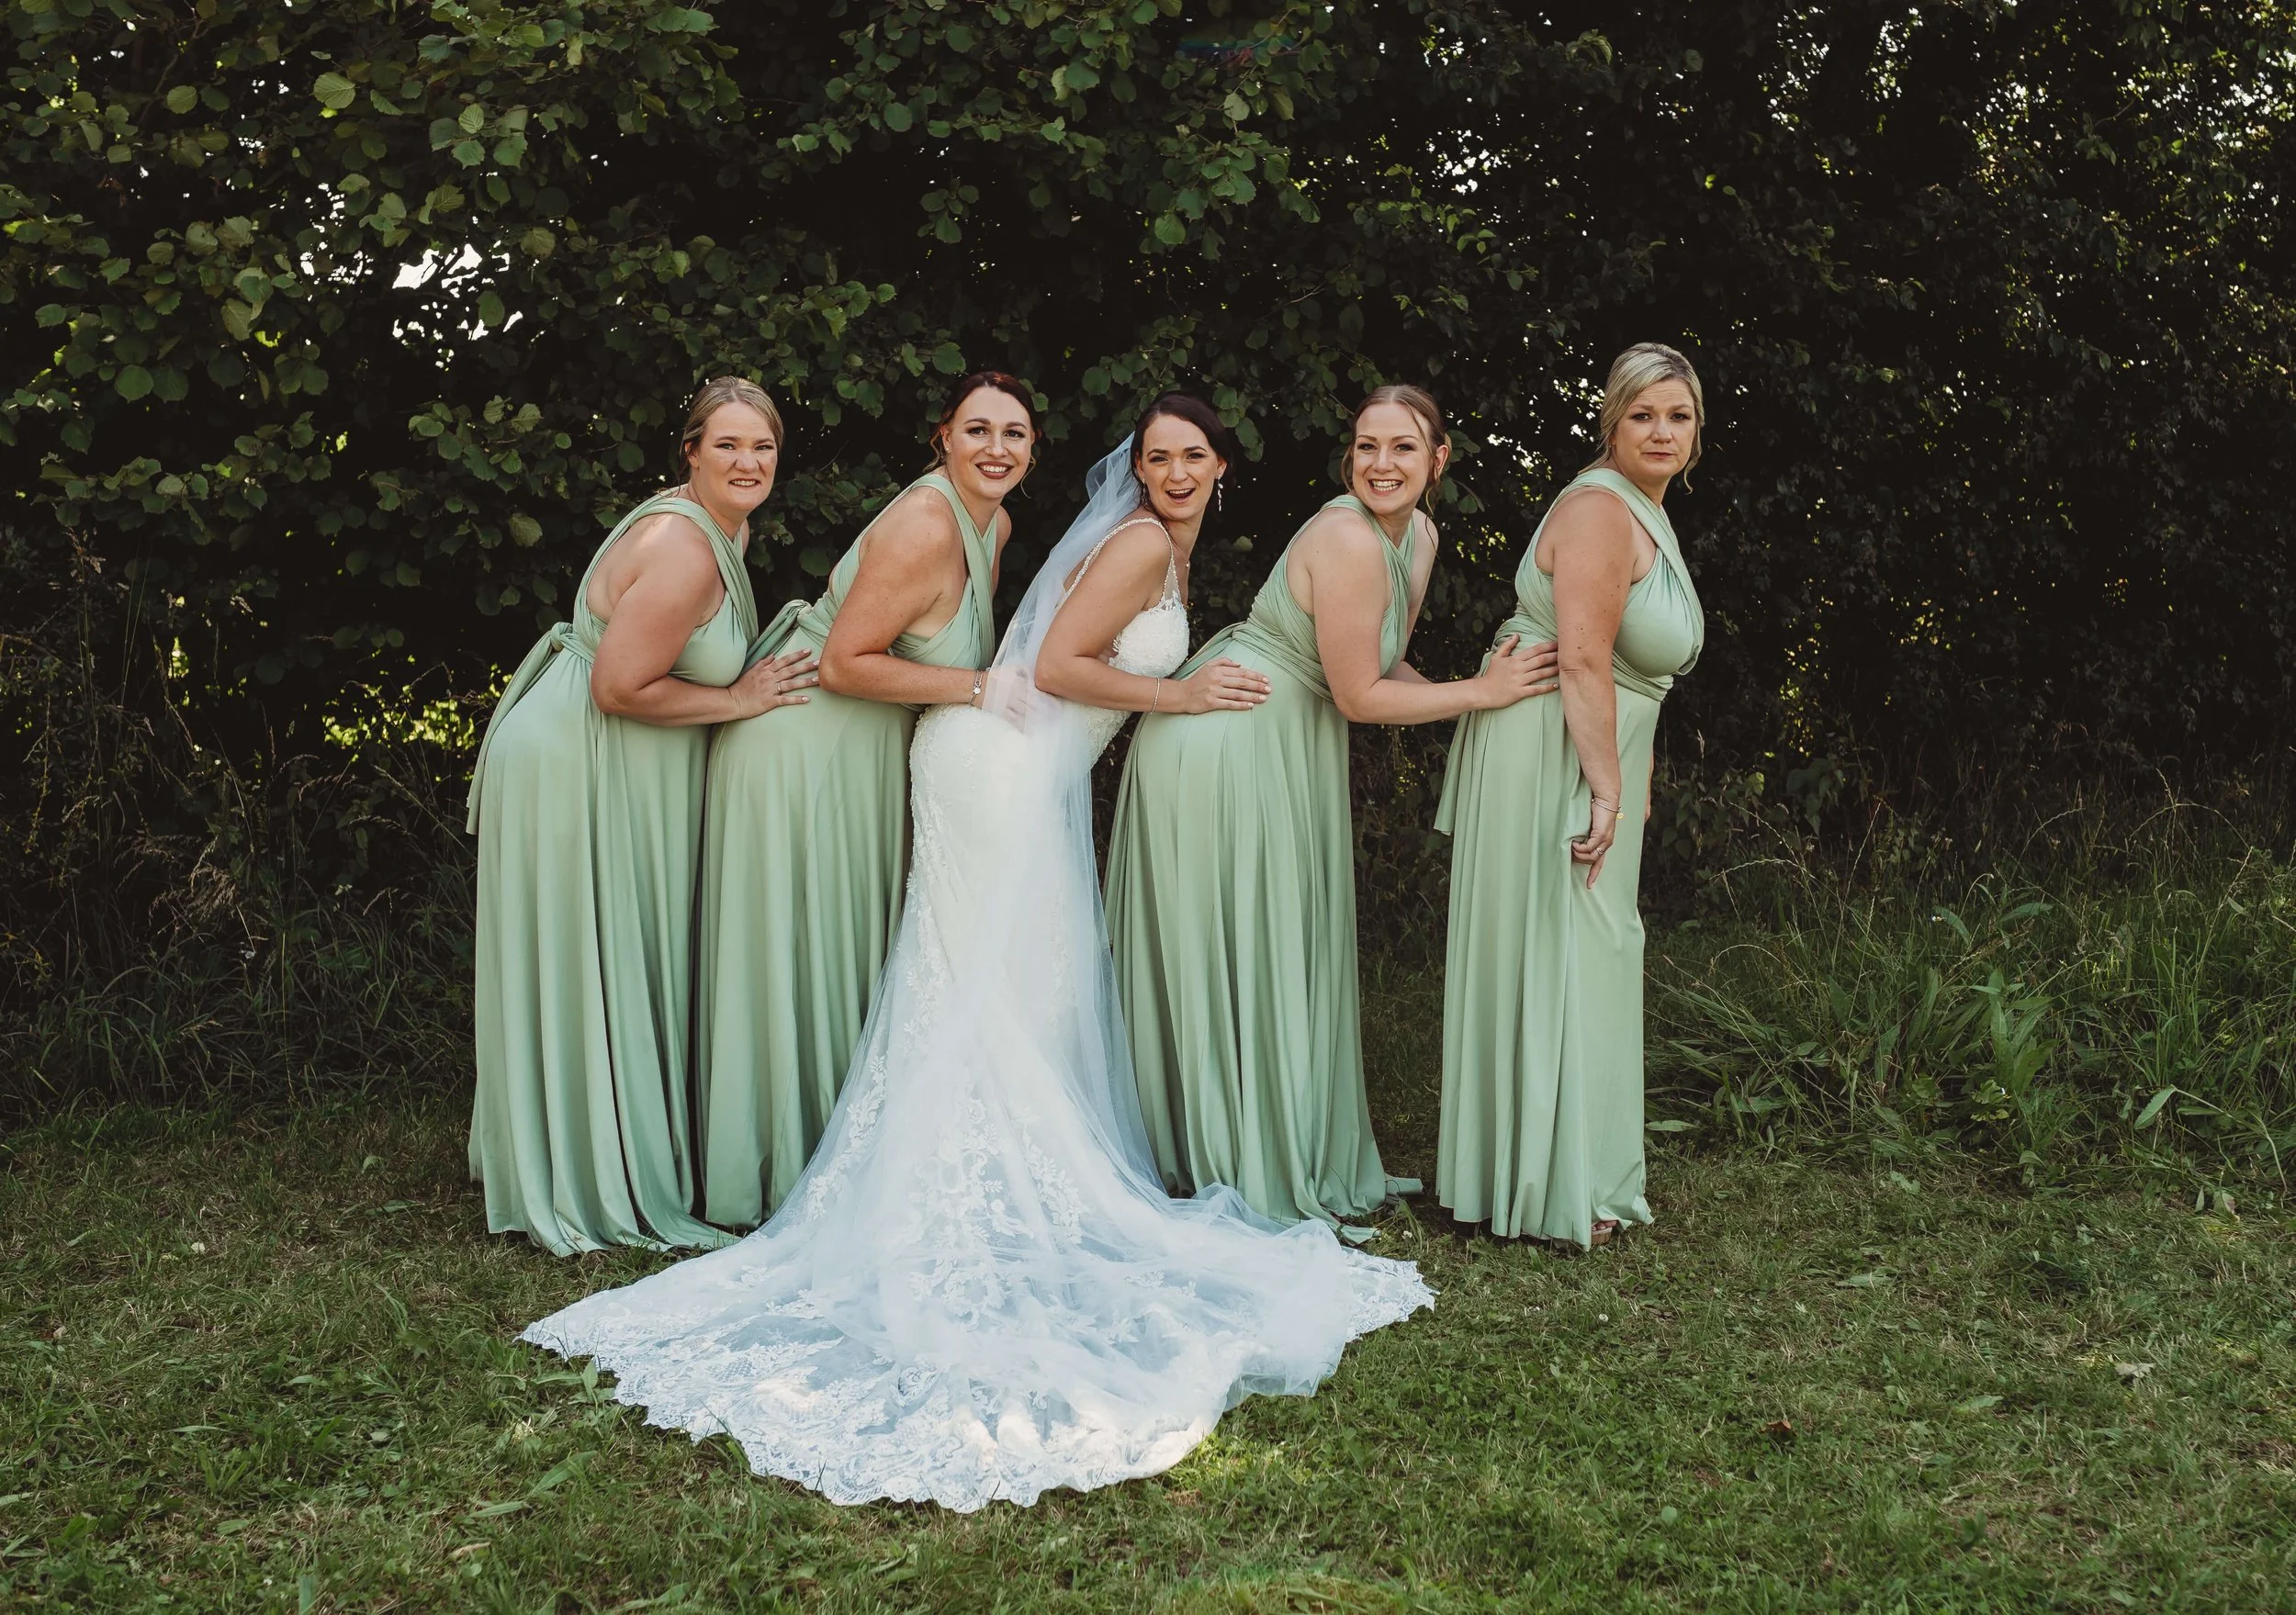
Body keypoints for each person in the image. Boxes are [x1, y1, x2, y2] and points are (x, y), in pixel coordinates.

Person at [523, 409, 1431, 1512]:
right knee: (1004, 988)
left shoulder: (1122, 540)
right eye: (1157, 457)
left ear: (1222, 468)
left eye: (1193, 457)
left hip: (1008, 770)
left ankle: (994, 1168)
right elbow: (1056, 661)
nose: (1175, 473)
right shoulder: (1142, 540)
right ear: (1132, 472)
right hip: (992, 772)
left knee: (1000, 986)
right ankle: (983, 1185)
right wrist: (1180, 692)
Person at [1104, 386, 1559, 1231]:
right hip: (1229, 742)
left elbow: (1389, 669)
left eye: (1402, 448)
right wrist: (1483, 692)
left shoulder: (1418, 537)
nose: (1381, 464)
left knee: (1278, 940)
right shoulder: (1347, 535)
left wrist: (1486, 699)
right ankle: (1221, 1149)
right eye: (1366, 446)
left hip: (1285, 741)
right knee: (1246, 940)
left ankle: (1271, 1132)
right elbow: (1359, 695)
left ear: (1438, 458)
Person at [466, 378, 817, 1255]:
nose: (748, 463)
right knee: (592, 952)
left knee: (612, 952)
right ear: (690, 452)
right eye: (727, 445)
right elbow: (618, 686)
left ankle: (590, 1148)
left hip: (605, 757)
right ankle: (590, 1177)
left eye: (763, 447)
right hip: (579, 761)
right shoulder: (685, 547)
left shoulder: (714, 526)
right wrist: (738, 697)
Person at [692, 372, 1029, 1230]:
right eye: (978, 430)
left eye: (1015, 434)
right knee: (790, 948)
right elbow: (847, 662)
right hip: (804, 743)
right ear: (942, 438)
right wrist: (981, 686)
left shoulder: (993, 527)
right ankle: (761, 1166)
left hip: (862, 750)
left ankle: (831, 1150)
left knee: (838, 946)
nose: (997, 448)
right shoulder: (925, 520)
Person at [1434, 342, 1707, 1246]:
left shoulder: (1644, 509)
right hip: (1553, 748)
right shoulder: (1597, 509)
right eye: (1642, 415)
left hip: (1588, 747)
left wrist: (1631, 789)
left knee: (1589, 945)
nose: (1661, 431)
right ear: (1610, 423)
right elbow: (1585, 659)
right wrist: (1605, 792)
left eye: (1677, 415)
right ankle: (1555, 1183)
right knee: (1570, 948)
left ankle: (1562, 1168)